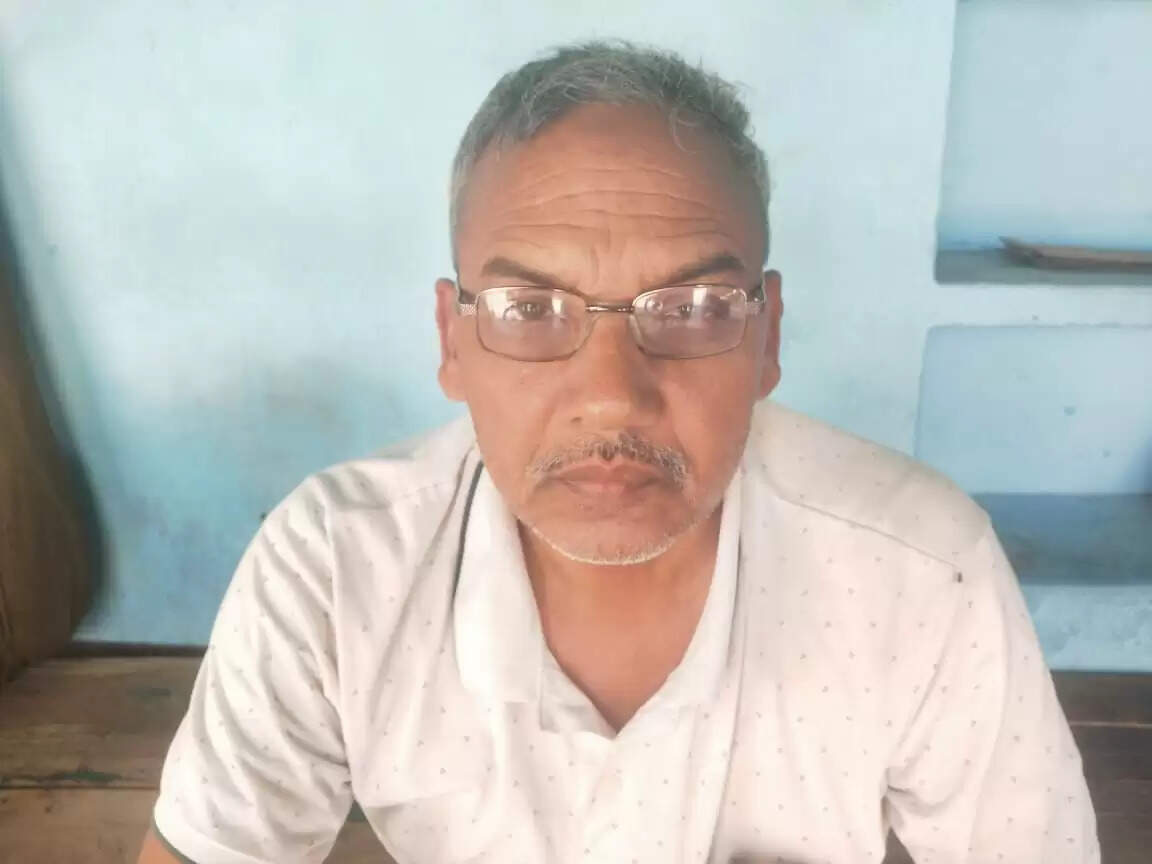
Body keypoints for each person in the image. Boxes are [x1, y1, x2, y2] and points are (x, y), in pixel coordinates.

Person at [138, 39, 1098, 864]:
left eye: (692, 308)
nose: (610, 391)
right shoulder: (335, 571)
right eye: (528, 309)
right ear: (451, 340)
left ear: (767, 337)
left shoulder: (924, 574)